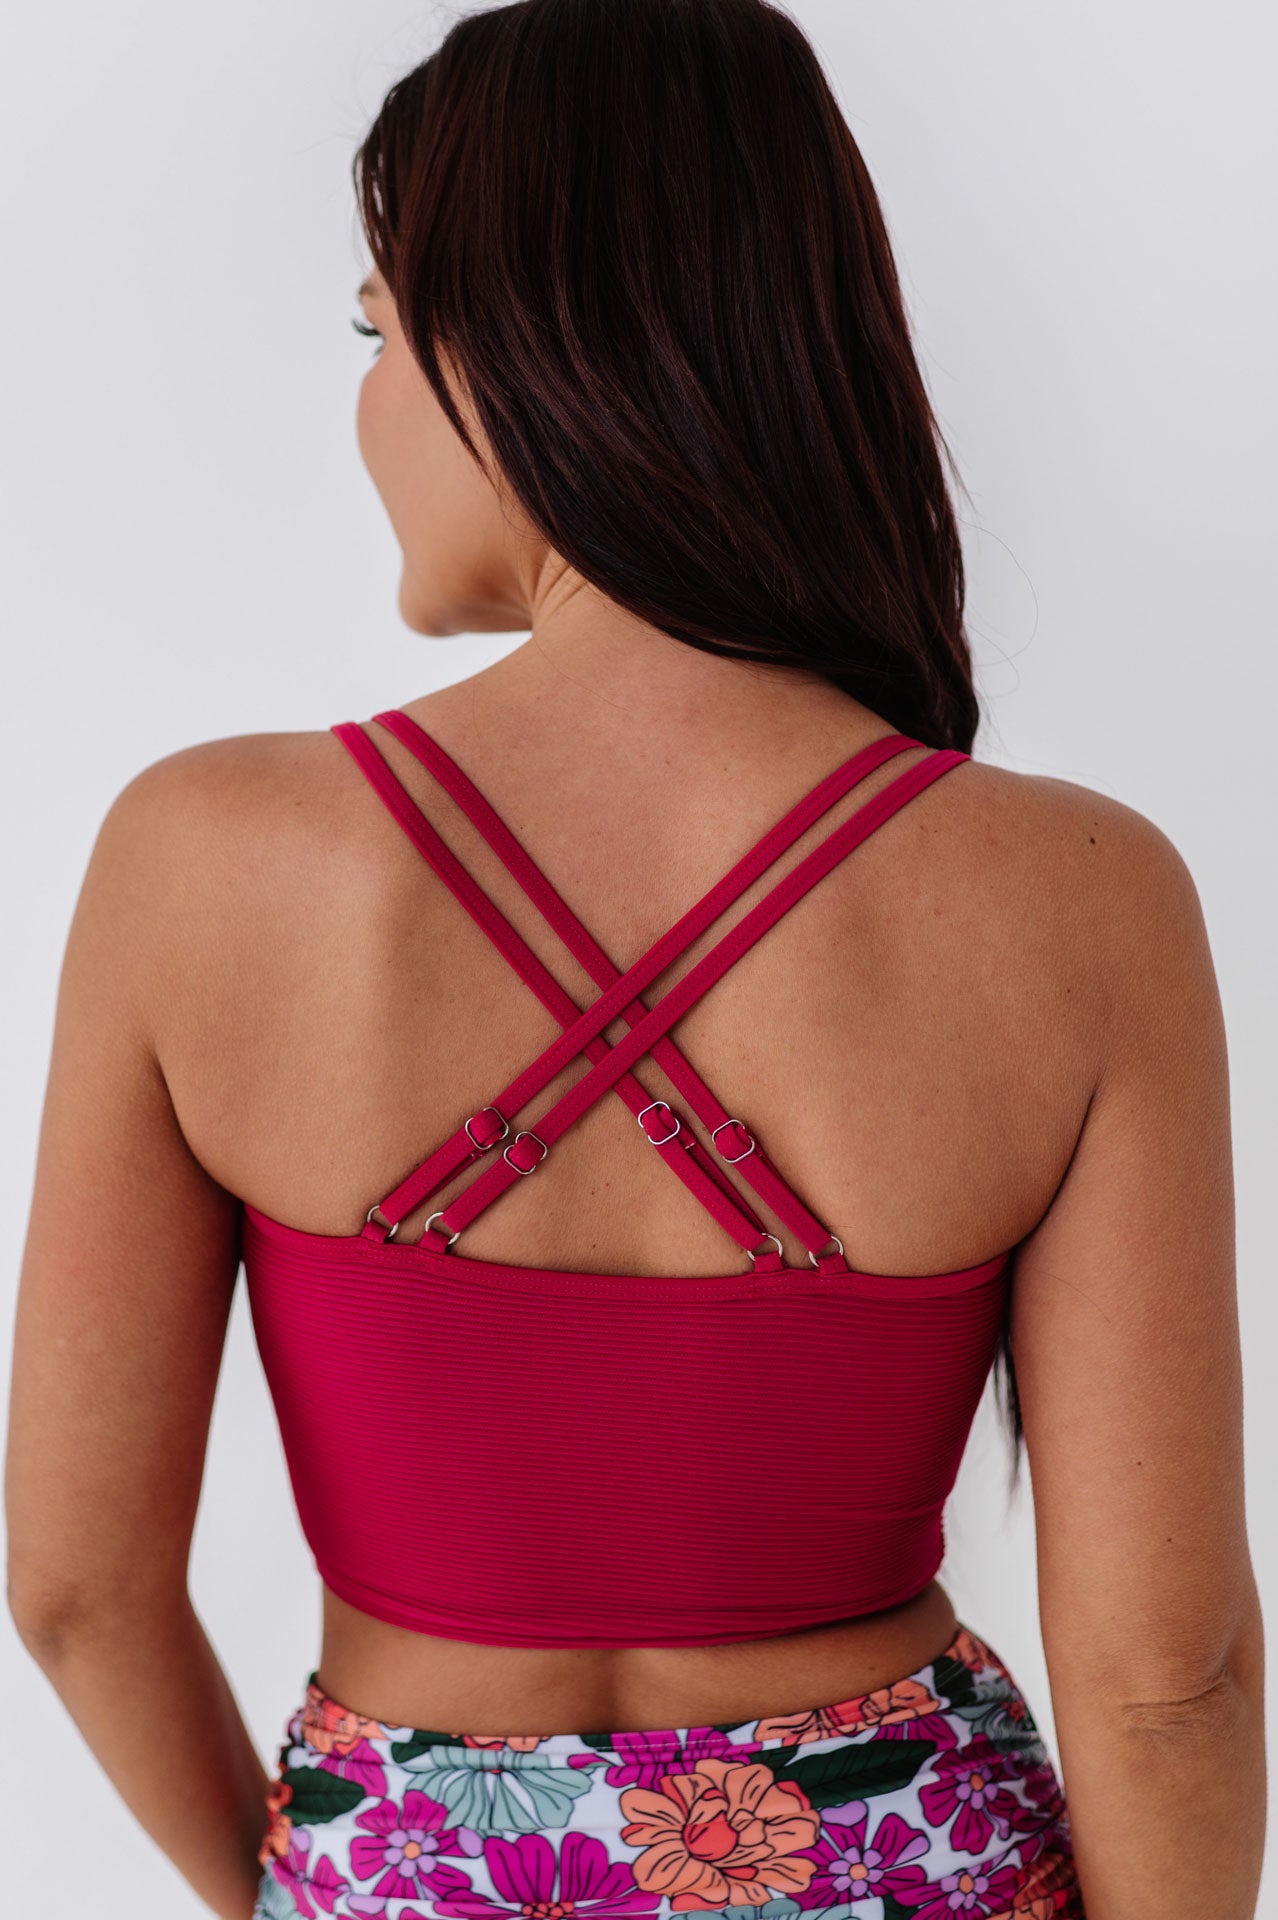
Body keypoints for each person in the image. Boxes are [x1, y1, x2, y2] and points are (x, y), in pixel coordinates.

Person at [5, 2, 1264, 1916]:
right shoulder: (1075, 896)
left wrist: (298, 1893)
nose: (366, 406)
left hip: (412, 1870)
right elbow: (1166, 1685)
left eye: (377, 332)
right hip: (907, 1856)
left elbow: (76, 1586)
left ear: (528, 348)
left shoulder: (202, 861)